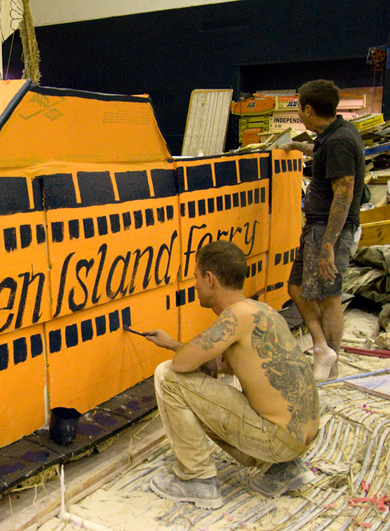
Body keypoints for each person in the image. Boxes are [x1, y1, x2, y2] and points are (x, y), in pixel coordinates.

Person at [143, 241, 319, 509]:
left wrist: (176, 351)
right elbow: (221, 364)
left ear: (210, 279)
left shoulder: (234, 317)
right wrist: (173, 344)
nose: (195, 285)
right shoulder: (260, 311)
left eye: (196, 278)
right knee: (198, 382)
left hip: (277, 440)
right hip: (299, 439)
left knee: (167, 376)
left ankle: (196, 479)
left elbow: (181, 365)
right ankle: (282, 470)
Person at [281, 79, 364, 380]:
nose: (299, 113)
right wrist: (294, 145)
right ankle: (322, 348)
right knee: (297, 287)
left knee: (328, 297)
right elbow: (321, 153)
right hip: (317, 229)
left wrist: (328, 245)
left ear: (309, 109)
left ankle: (332, 369)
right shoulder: (335, 134)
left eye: (299, 107)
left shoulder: (339, 142)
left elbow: (343, 194)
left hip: (327, 230)